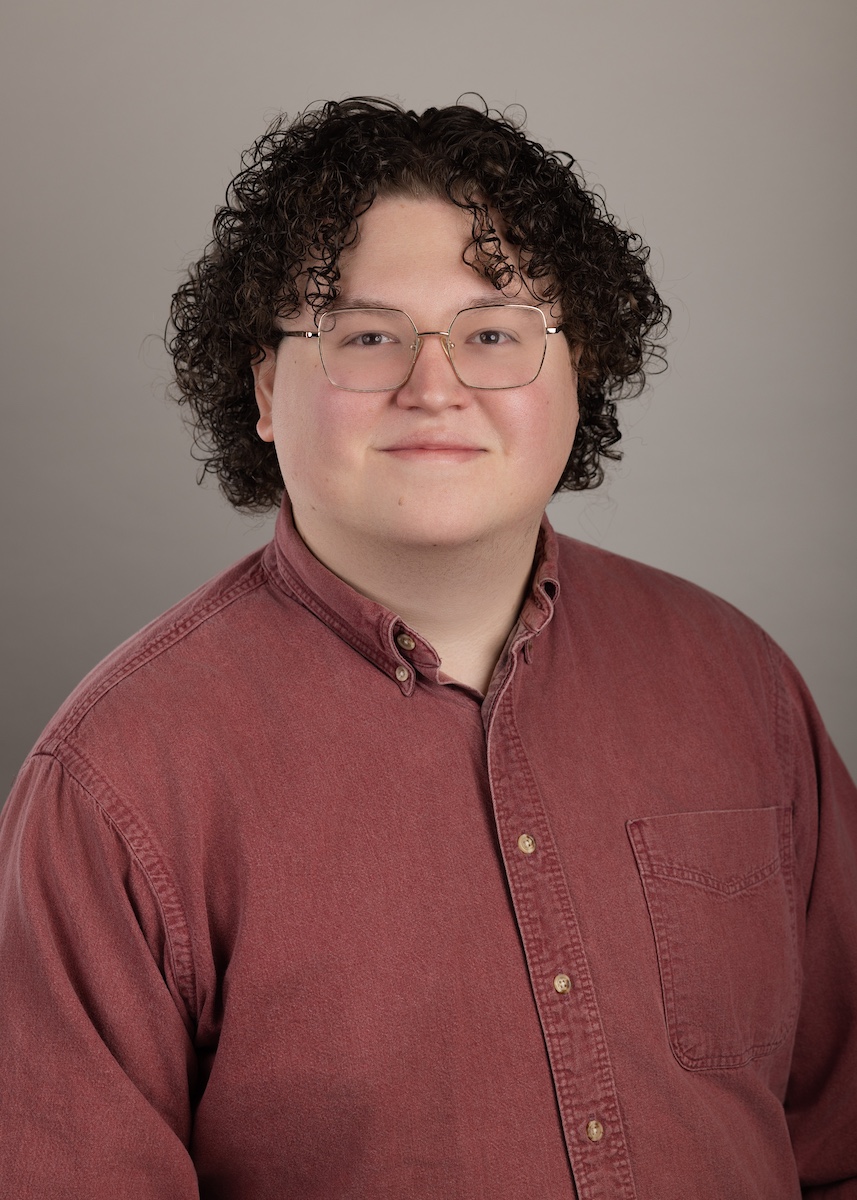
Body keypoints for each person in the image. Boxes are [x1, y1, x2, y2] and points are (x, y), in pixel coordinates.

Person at [0, 96, 854, 1199]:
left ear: (573, 370)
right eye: (366, 337)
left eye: (491, 333)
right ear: (265, 389)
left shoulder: (738, 684)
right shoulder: (116, 783)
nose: (434, 385)